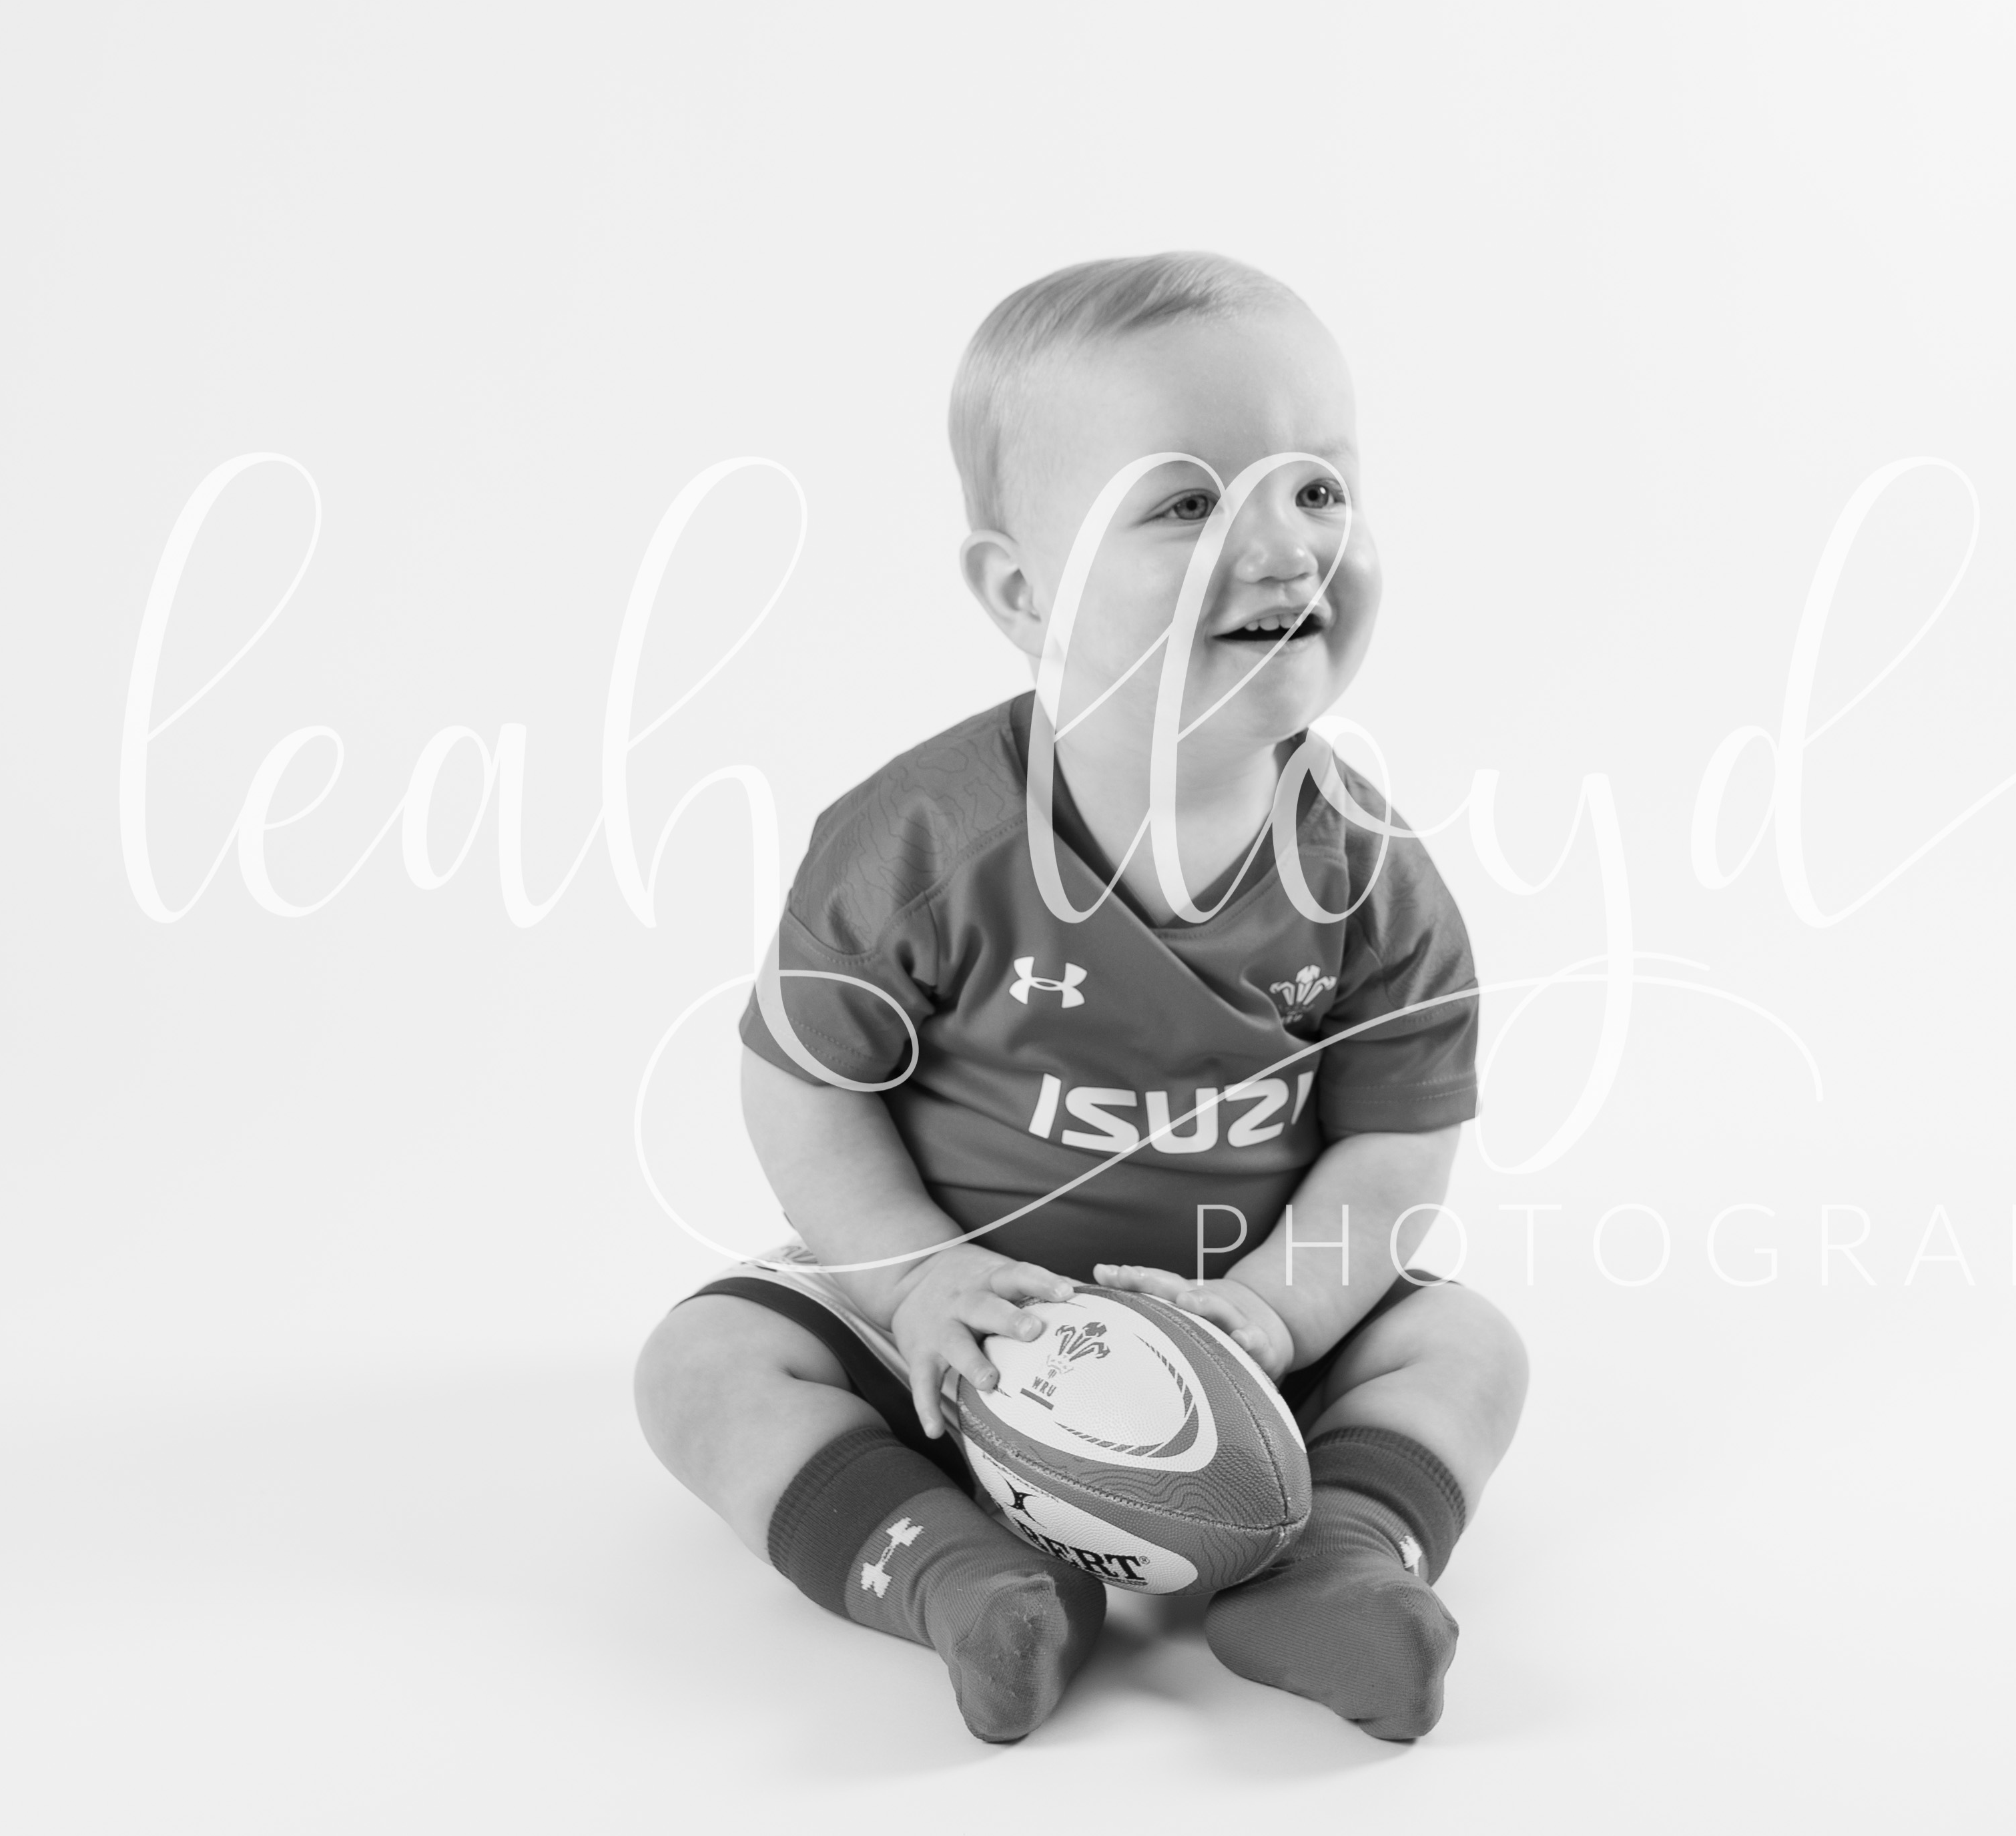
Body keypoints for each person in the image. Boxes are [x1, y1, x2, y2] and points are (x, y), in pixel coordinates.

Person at [633, 253, 1528, 1743]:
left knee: (1468, 1346)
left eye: (1318, 488)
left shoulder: (1371, 876)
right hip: (963, 1332)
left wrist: (1279, 1311)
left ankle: (1331, 1561)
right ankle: (956, 1574)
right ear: (1020, 590)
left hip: (1235, 1335)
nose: (1283, 542)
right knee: (702, 1364)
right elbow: (805, 1081)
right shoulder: (921, 844)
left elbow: (1394, 1144)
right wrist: (913, 1280)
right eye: (1185, 504)